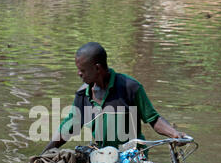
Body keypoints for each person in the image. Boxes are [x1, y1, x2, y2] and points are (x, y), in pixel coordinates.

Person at [43, 42, 186, 153]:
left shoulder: (129, 87)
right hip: (101, 157)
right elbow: (69, 127)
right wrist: (44, 154)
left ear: (97, 68)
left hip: (131, 156)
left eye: (83, 70)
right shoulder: (83, 95)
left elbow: (153, 119)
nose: (79, 74)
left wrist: (174, 134)